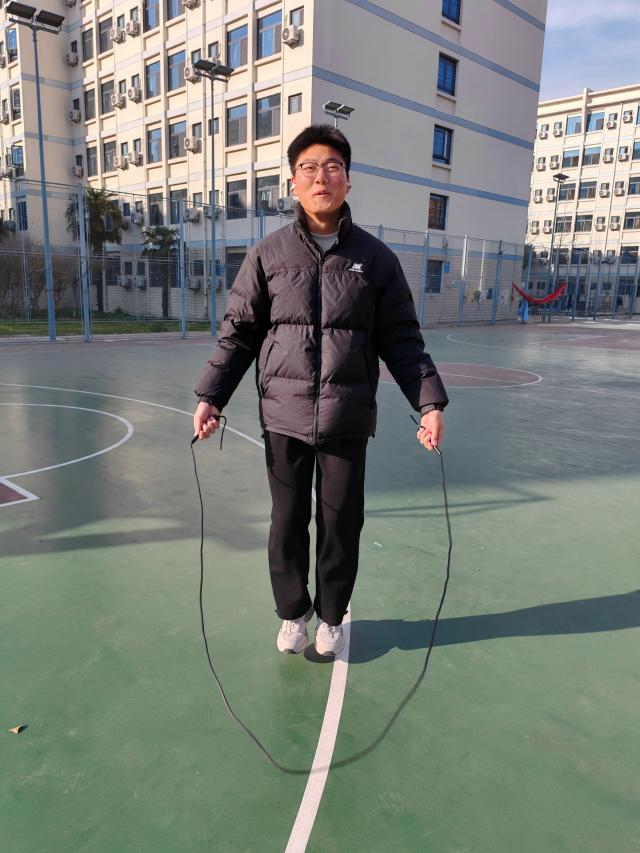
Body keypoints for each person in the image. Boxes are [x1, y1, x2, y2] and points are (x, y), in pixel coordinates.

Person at [193, 124, 448, 658]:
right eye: (308, 168)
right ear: (293, 182)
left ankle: (332, 616)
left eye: (333, 167)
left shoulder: (376, 260)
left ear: (348, 180)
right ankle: (292, 614)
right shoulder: (267, 255)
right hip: (283, 416)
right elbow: (238, 334)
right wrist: (211, 395)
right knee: (286, 522)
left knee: (340, 523)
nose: (321, 177)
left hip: (346, 417)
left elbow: (402, 339)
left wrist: (428, 402)